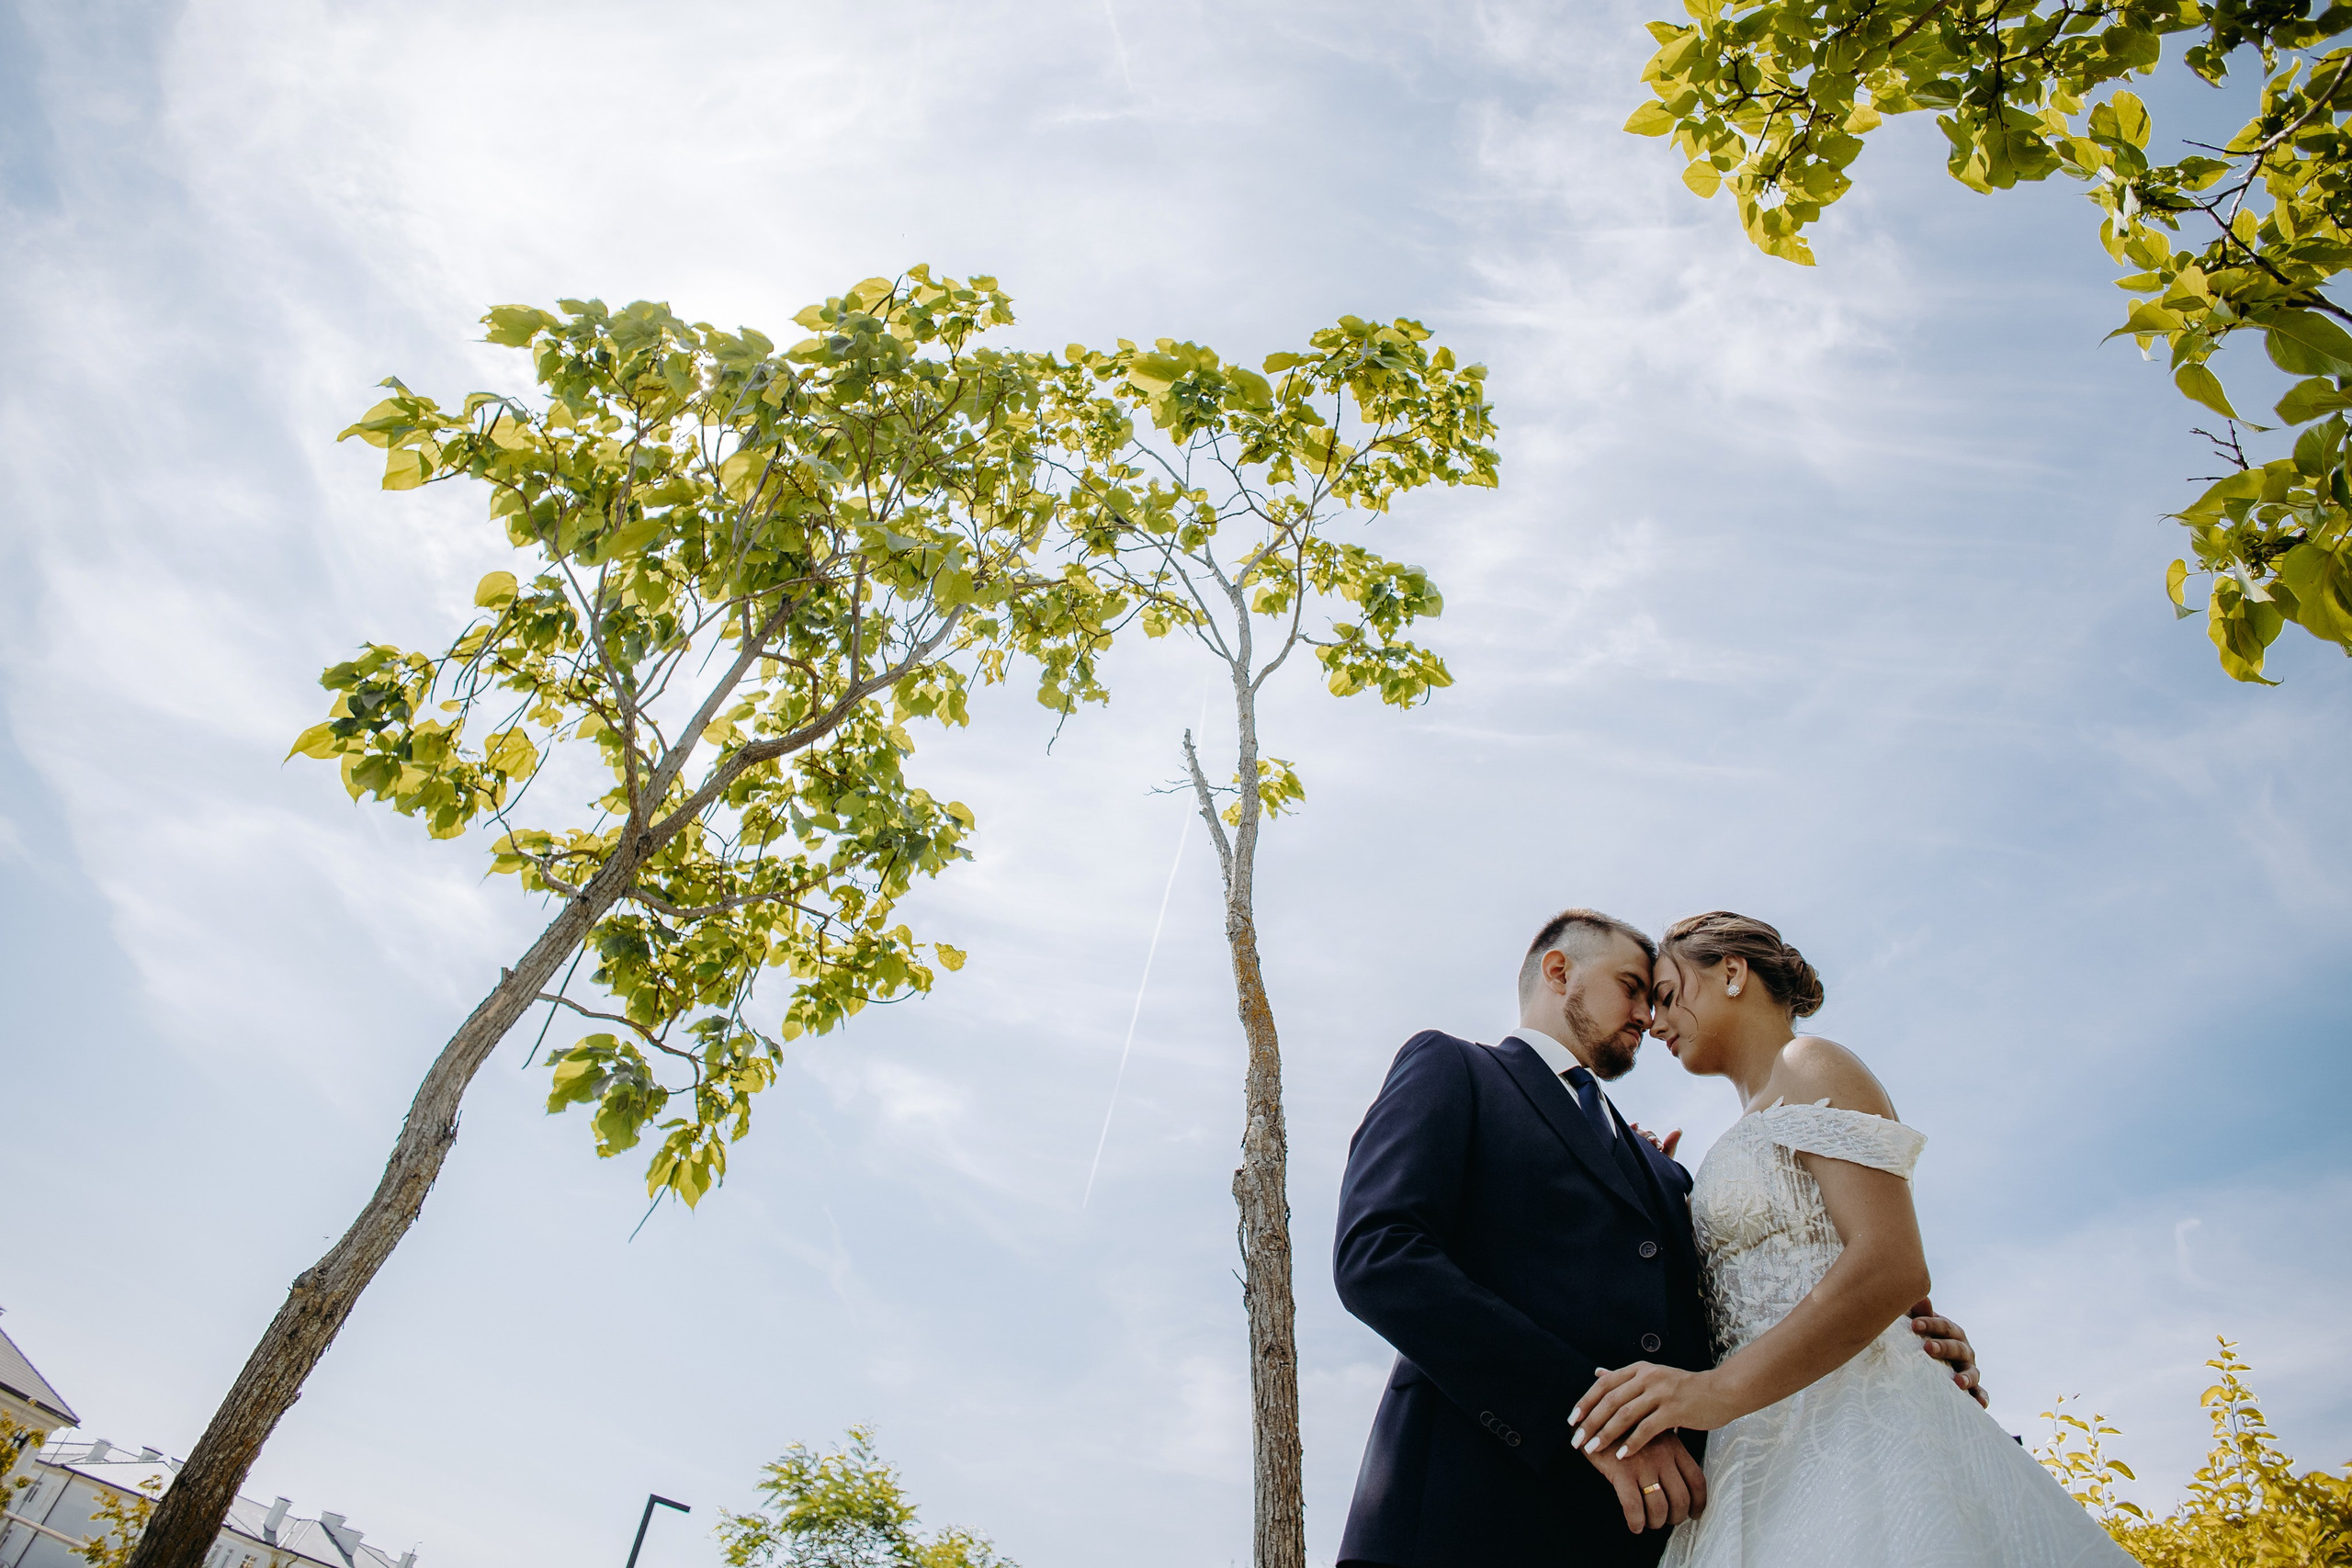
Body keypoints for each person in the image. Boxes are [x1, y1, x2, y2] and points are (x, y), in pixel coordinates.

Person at [1330, 908, 1983, 1568]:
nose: (1648, 1013)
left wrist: (1893, 1346)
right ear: (1560, 971)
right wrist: (1590, 1417)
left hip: (1655, 1531)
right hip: (1461, 1518)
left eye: (1661, 994)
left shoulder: (1667, 1169)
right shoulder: (1455, 1067)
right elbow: (1379, 1256)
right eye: (1633, 987)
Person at [1573, 911, 2133, 1567]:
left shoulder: (1811, 1063)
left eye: (1668, 995)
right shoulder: (1731, 1133)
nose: (1657, 1021)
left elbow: (1891, 1262)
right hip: (1755, 1451)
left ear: (1731, 972)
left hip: (1859, 1432)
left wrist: (1710, 1393)